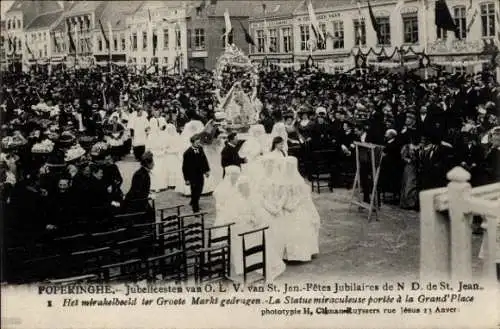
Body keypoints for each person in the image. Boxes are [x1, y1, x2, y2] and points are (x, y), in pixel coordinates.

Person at [226, 175, 286, 280]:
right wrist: (247, 218)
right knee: (248, 235)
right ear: (240, 188)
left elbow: (256, 212)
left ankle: (259, 260)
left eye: (248, 187)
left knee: (260, 233)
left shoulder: (251, 199)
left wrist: (255, 219)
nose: (247, 190)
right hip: (239, 226)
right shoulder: (235, 200)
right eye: (245, 188)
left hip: (250, 224)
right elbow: (233, 217)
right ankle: (246, 263)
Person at [281, 156, 320, 261]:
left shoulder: (298, 180)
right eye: (287, 166)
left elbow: (302, 196)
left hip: (297, 205)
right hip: (286, 204)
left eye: (291, 166)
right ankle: (286, 254)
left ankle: (300, 253)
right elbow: (281, 194)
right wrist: (285, 204)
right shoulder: (282, 178)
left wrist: (294, 204)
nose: (288, 168)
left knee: (301, 224)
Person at [124, 150, 155, 222]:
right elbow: (137, 191)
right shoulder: (140, 174)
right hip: (136, 203)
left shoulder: (143, 172)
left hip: (140, 200)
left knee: (151, 212)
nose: (154, 164)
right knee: (149, 214)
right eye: (152, 162)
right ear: (148, 164)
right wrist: (148, 195)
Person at [182, 134, 210, 213]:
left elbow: (204, 160)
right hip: (192, 176)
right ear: (192, 142)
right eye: (197, 142)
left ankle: (193, 201)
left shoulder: (200, 149)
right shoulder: (187, 153)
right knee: (194, 191)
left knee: (200, 189)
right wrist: (186, 179)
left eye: (199, 142)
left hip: (200, 174)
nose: (198, 143)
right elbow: (185, 167)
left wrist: (206, 171)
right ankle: (195, 209)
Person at [162, 123, 183, 188]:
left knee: (175, 169)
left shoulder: (177, 137)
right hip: (169, 155)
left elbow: (179, 146)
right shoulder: (166, 137)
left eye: (172, 129)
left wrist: (174, 150)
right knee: (169, 169)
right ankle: (169, 183)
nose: (171, 131)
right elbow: (164, 147)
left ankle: (175, 183)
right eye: (169, 130)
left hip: (174, 155)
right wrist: (167, 149)